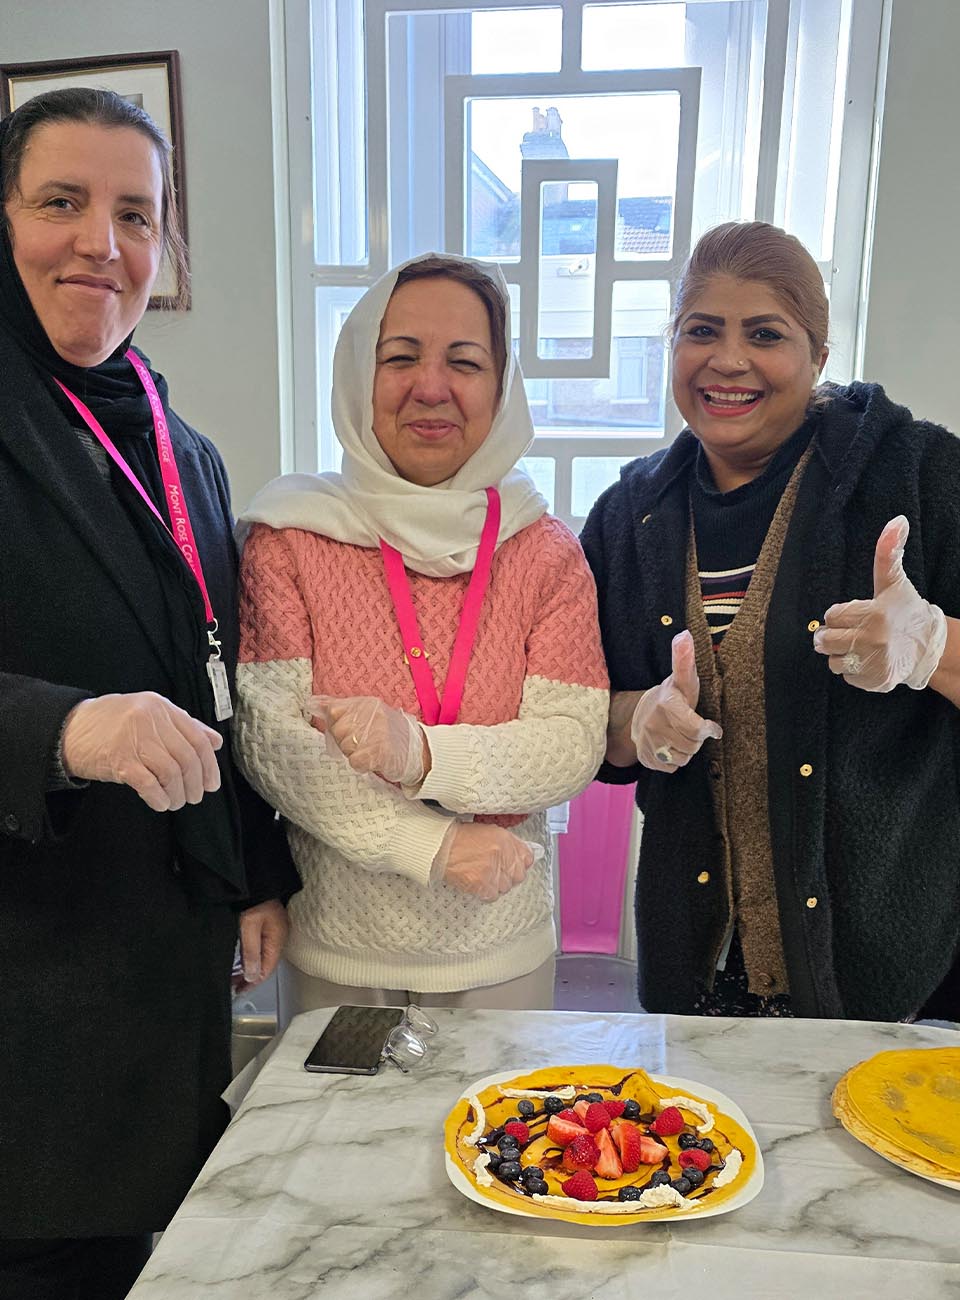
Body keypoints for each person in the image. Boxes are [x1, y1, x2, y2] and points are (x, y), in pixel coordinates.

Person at [0, 89, 299, 1299]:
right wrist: (63, 729)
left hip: (160, 976)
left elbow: (208, 678)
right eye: (61, 202)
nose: (100, 243)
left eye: (136, 213)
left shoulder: (185, 446)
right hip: (28, 991)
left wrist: (254, 863)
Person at [581, 220, 960, 1023]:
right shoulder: (629, 517)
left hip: (890, 970)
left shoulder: (923, 477)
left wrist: (934, 648)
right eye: (701, 331)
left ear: (818, 358)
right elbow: (590, 723)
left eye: (765, 334)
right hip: (694, 966)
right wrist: (634, 721)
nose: (728, 360)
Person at [234, 252, 608, 1017]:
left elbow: (571, 741)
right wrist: (431, 848)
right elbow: (273, 743)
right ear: (354, 379)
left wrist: (422, 753)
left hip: (500, 944)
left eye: (464, 362)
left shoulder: (544, 551)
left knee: (506, 1137)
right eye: (398, 357)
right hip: (339, 943)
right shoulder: (292, 538)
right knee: (338, 1139)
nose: (430, 387)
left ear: (501, 388)